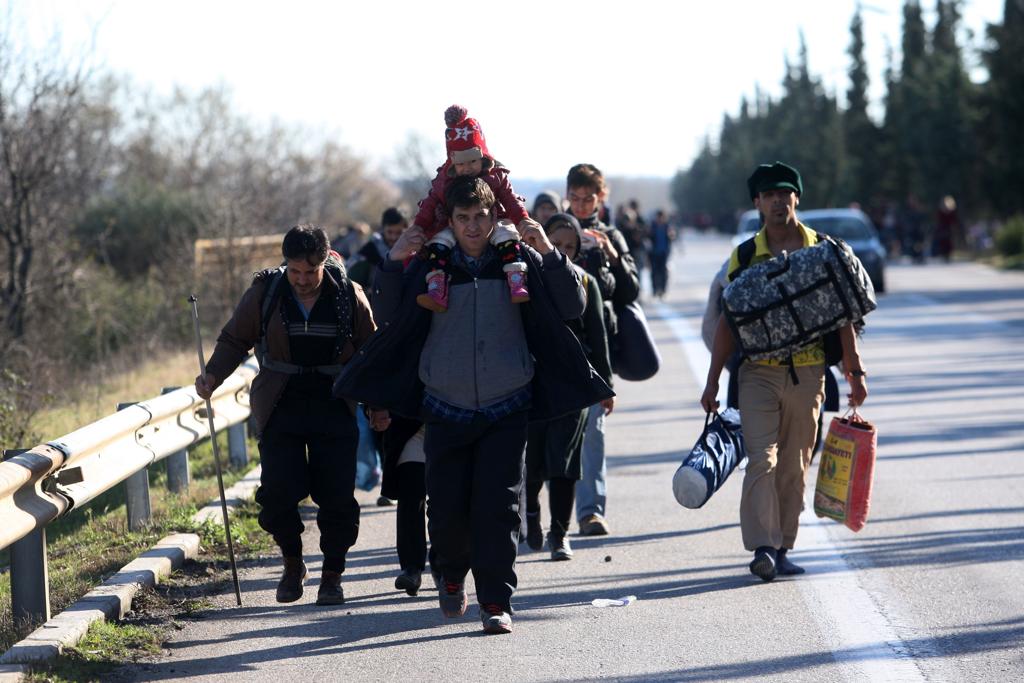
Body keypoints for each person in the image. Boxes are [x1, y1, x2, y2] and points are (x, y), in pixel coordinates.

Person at [333, 175, 613, 634]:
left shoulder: (517, 260)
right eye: (463, 217)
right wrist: (393, 259)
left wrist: (547, 250)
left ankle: (496, 601)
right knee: (446, 510)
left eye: (482, 216)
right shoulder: (431, 264)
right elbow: (385, 315)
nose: (473, 226)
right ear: (452, 219)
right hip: (444, 405)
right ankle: (449, 573)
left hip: (509, 403)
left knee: (500, 508)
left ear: (494, 215)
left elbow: (571, 304)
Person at [195, 225, 387, 605]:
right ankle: (292, 562)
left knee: (336, 497)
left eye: (309, 272)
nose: (301, 280)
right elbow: (236, 338)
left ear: (325, 262)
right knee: (278, 494)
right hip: (280, 402)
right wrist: (213, 375)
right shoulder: (266, 293)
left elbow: (371, 353)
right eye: (295, 271)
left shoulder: (348, 294)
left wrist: (379, 405)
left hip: (334, 402)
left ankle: (332, 575)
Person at [700, 162, 868, 582]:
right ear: (757, 203)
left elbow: (842, 315)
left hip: (809, 374)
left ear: (797, 198)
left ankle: (782, 547)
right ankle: (762, 547)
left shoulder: (821, 248)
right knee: (762, 461)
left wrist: (854, 372)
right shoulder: (743, 256)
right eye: (769, 195)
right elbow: (727, 321)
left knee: (794, 465)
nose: (778, 201)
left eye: (784, 193)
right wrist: (713, 379)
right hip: (756, 374)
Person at [523, 213, 615, 560]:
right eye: (554, 243)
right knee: (532, 459)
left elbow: (598, 336)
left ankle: (559, 534)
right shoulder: (524, 277)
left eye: (569, 247)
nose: (561, 250)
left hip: (572, 384)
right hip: (530, 381)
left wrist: (604, 385)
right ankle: (531, 514)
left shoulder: (585, 283)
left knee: (564, 461)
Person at [566, 163, 640, 537]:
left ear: (601, 197)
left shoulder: (610, 235)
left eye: (588, 198)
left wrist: (611, 253)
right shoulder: (556, 233)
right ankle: (544, 514)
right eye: (575, 198)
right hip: (558, 346)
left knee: (593, 432)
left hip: (597, 348)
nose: (580, 205)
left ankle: (591, 511)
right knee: (549, 435)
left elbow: (630, 292)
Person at [411, 104, 537, 312]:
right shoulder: (445, 182)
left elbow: (510, 199)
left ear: (483, 157)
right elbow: (430, 204)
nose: (467, 168)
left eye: (472, 161)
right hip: (451, 224)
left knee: (506, 234)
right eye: (461, 164)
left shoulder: (496, 176)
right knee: (439, 242)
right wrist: (419, 227)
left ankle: (516, 279)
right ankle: (437, 287)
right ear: (452, 163)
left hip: (495, 219)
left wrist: (522, 219)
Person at [348, 207, 408, 293]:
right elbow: (352, 283)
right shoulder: (369, 251)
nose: (394, 237)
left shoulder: (412, 251)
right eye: (390, 232)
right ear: (383, 229)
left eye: (398, 233)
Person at [648, 209, 674, 299]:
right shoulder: (653, 226)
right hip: (654, 253)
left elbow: (672, 237)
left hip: (664, 253)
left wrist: (671, 235)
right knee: (654, 272)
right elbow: (648, 237)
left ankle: (663, 290)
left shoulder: (667, 227)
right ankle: (655, 289)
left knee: (663, 272)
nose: (660, 219)